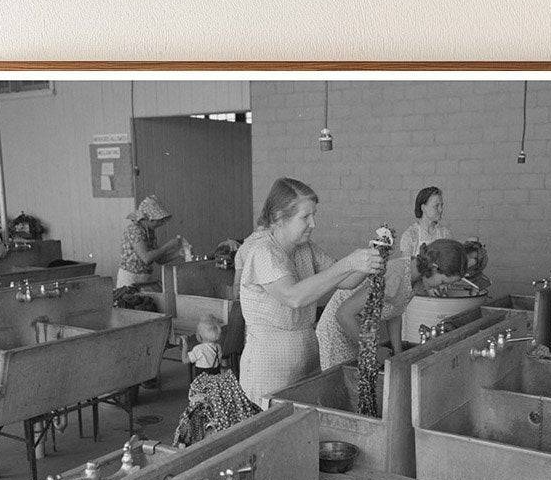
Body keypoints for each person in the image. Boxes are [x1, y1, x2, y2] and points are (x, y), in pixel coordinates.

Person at [234, 177, 384, 403]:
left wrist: (369, 260)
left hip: (307, 357)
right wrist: (349, 263)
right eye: (305, 217)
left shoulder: (305, 248)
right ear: (279, 217)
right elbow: (293, 296)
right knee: (274, 420)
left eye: (314, 215)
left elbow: (347, 281)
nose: (313, 223)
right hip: (269, 367)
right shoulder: (263, 252)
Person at [317, 238, 470, 369]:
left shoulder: (416, 279)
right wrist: (373, 350)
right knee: (346, 382)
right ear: (434, 268)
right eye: (443, 282)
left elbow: (394, 313)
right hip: (339, 330)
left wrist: (398, 354)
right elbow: (343, 314)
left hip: (360, 331)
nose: (443, 288)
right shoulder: (396, 276)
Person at [172, 315, 260, 447]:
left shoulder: (198, 349)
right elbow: (222, 363)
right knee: (214, 405)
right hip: (217, 380)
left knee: (198, 407)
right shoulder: (218, 347)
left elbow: (185, 360)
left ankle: (194, 432)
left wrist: (184, 345)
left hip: (202, 382)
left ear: (199, 336)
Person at [117, 195, 184, 288]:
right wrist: (169, 246)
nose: (161, 223)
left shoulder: (149, 231)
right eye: (158, 221)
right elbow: (147, 258)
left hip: (144, 278)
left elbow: (159, 259)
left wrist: (179, 253)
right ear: (148, 219)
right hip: (131, 278)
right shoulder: (135, 230)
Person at [398, 186, 452, 261]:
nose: (441, 210)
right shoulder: (410, 236)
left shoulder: (445, 234)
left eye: (441, 205)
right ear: (423, 208)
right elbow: (406, 266)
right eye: (436, 206)